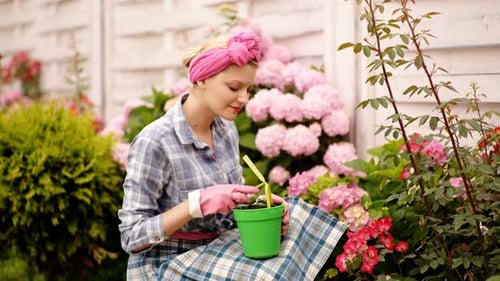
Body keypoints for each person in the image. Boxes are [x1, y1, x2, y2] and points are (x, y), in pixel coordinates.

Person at [118, 30, 290, 280]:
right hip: (165, 263)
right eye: (234, 87)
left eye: (249, 89)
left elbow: (229, 207)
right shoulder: (155, 141)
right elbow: (131, 237)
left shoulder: (225, 129)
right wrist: (194, 205)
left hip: (214, 251)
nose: (244, 98)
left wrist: (261, 207)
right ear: (202, 79)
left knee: (302, 222)